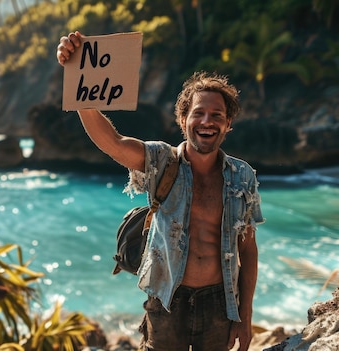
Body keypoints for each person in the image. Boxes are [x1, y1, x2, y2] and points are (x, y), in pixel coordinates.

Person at [56, 31, 264, 351]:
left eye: (217, 115)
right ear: (183, 120)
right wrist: (80, 81)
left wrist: (244, 316)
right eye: (198, 113)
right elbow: (113, 143)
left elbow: (247, 250)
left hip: (219, 304)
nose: (207, 121)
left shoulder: (242, 177)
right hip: (167, 299)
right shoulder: (162, 161)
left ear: (228, 124)